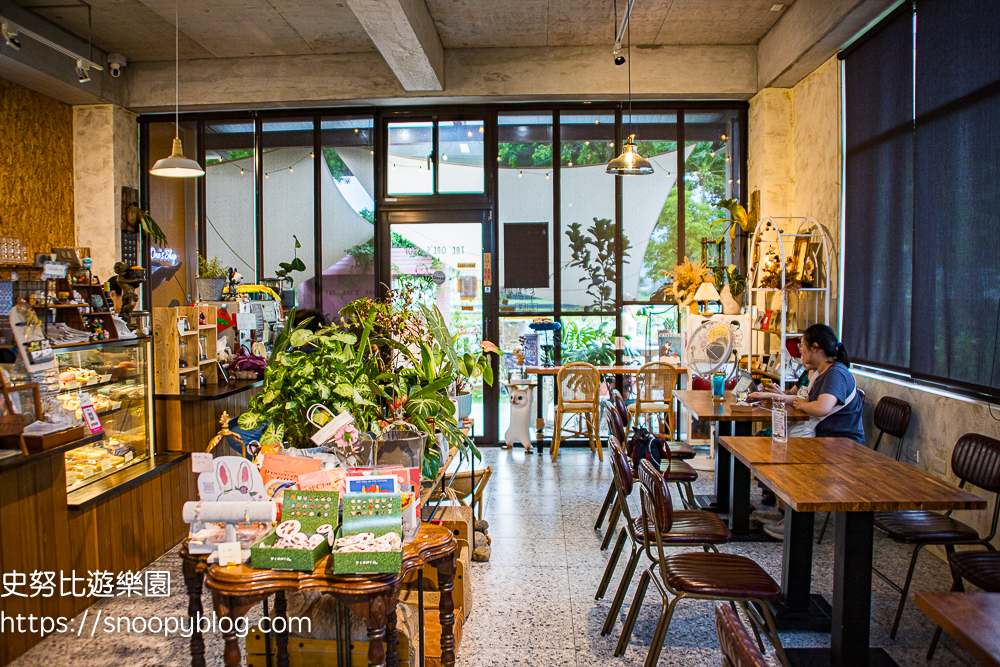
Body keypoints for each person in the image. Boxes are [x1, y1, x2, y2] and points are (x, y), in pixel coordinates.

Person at [749, 324, 864, 539]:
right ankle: (784, 511)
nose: (799, 351)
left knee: (785, 456)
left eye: (802, 346)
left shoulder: (836, 374)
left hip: (841, 444)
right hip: (824, 437)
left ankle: (794, 524)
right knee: (776, 448)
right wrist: (777, 397)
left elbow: (821, 407)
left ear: (815, 348)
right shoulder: (820, 373)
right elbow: (806, 399)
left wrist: (800, 405)